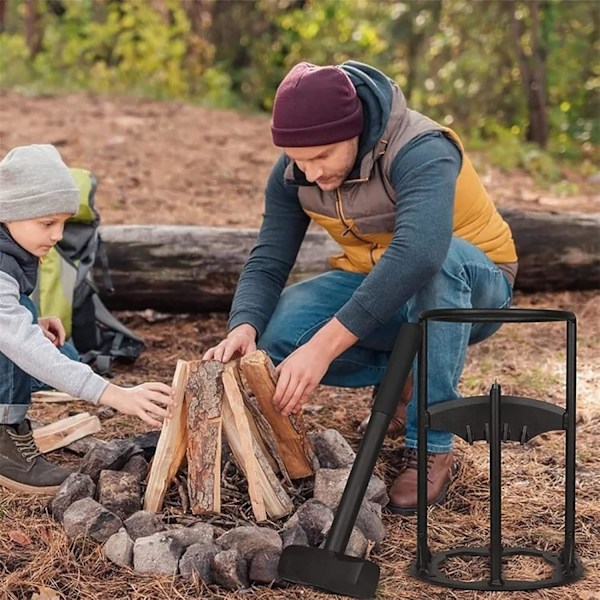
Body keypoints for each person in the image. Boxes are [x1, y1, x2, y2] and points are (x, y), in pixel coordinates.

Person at [204, 61, 517, 514]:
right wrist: (244, 325)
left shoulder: (423, 148)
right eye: (298, 160)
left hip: (475, 280)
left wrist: (325, 346)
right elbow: (270, 256)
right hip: (378, 282)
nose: (310, 173)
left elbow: (420, 254)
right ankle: (408, 372)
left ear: (355, 130)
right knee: (279, 335)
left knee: (435, 264)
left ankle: (430, 442)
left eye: (322, 157)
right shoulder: (297, 168)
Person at [0, 144, 175, 496]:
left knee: (62, 353)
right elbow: (15, 340)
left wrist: (33, 318)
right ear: (9, 212)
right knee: (20, 348)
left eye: (63, 223)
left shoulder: (12, 244)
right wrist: (111, 394)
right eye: (47, 223)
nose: (58, 235)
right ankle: (5, 431)